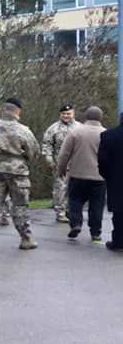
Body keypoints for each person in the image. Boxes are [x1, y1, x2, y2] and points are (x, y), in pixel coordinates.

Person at [0, 98, 40, 251]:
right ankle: (25, 238)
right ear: (18, 111)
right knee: (20, 204)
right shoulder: (22, 130)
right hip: (17, 170)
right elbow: (33, 151)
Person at [58, 106, 107, 244]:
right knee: (97, 204)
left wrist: (61, 170)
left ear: (86, 116)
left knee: (75, 201)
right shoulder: (105, 133)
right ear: (100, 117)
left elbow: (64, 154)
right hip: (99, 176)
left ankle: (76, 223)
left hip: (77, 174)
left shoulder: (75, 132)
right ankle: (96, 232)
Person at [42, 104, 81, 223]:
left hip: (77, 163)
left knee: (75, 188)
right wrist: (48, 158)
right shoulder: (53, 128)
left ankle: (72, 210)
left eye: (68, 113)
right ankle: (60, 212)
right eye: (63, 113)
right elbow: (46, 144)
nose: (66, 116)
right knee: (60, 188)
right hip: (60, 164)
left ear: (73, 113)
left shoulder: (80, 127)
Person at [97, 112, 123, 251]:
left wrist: (106, 175)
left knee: (118, 213)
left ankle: (118, 241)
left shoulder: (108, 136)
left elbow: (102, 160)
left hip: (116, 179)